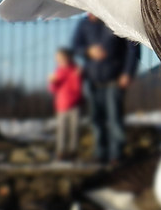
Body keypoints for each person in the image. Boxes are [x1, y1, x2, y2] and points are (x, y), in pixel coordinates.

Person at [71, 14, 140, 164]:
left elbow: (133, 47)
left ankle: (117, 155)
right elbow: (76, 46)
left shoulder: (115, 19)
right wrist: (88, 52)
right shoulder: (84, 25)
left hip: (114, 80)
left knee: (114, 119)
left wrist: (128, 72)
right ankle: (100, 153)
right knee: (96, 120)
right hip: (92, 80)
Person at [48, 47, 83, 162]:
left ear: (68, 58)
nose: (59, 61)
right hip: (62, 105)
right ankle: (61, 151)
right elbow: (53, 89)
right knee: (62, 130)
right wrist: (52, 82)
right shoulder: (58, 72)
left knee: (74, 129)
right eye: (58, 59)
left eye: (61, 58)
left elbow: (77, 87)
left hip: (74, 104)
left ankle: (73, 151)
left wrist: (77, 76)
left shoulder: (74, 70)